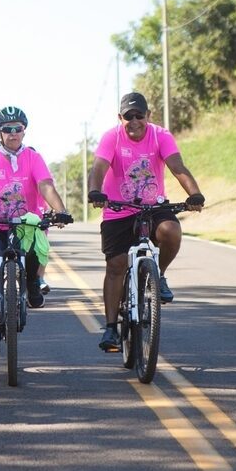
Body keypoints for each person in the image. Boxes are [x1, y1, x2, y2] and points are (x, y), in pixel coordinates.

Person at [87, 92, 205, 352]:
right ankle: (110, 329)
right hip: (119, 209)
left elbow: (177, 167)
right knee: (116, 265)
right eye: (128, 116)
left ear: (148, 116)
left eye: (139, 115)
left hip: (153, 206)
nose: (134, 121)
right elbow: (98, 167)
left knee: (171, 230)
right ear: (121, 118)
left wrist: (194, 194)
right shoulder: (111, 137)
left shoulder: (161, 135)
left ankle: (158, 275)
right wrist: (96, 191)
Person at [0, 106, 72, 354]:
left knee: (32, 256)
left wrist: (60, 209)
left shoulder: (33, 157)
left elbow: (45, 185)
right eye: (7, 129)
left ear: (24, 130)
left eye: (17, 129)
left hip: (26, 225)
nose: (13, 133)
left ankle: (32, 282)